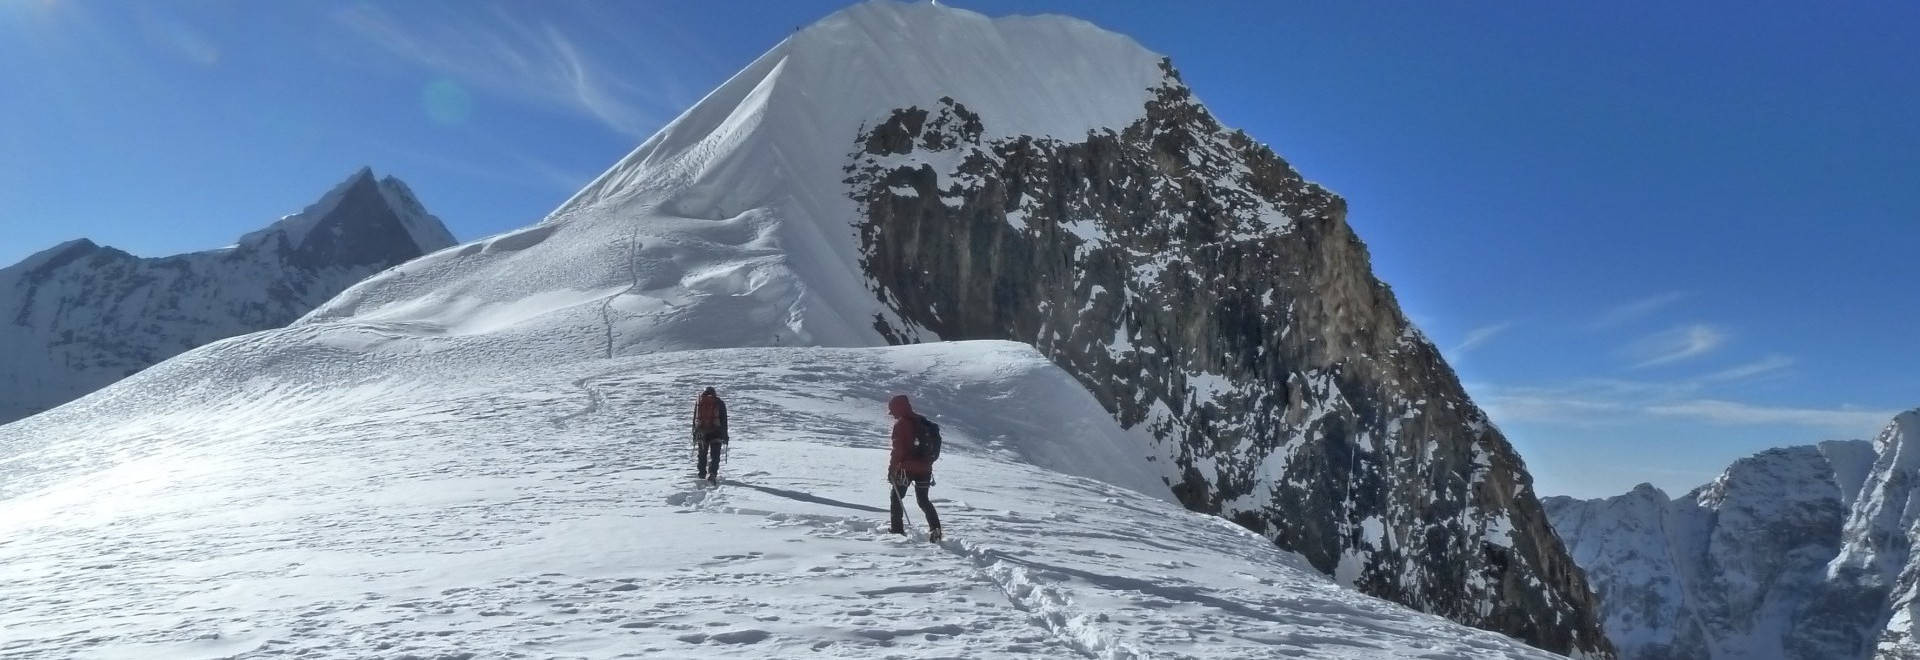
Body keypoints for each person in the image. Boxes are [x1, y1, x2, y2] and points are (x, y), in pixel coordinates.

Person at [886, 394, 942, 541]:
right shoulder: (924, 422)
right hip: (925, 469)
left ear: (899, 408)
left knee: (896, 498)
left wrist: (892, 470)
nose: (892, 415)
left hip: (906, 469)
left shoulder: (901, 425)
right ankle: (935, 529)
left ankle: (897, 531)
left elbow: (897, 451)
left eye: (893, 411)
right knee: (923, 500)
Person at [693, 387, 728, 484]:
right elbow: (724, 420)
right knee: (715, 455)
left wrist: (694, 433)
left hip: (702, 432)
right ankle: (712, 473)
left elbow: (695, 419)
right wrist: (725, 435)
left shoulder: (699, 402)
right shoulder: (719, 403)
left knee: (702, 453)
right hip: (716, 432)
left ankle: (701, 473)